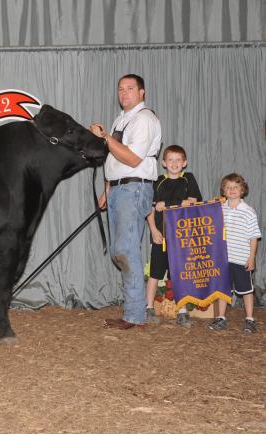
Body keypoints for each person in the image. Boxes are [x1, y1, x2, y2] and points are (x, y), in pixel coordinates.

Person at [90, 74, 162, 329]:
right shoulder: (123, 118)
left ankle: (135, 315)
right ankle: (132, 310)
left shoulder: (144, 119)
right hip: (121, 188)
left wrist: (105, 137)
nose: (124, 93)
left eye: (130, 89)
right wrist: (108, 190)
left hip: (134, 188)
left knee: (126, 249)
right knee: (121, 250)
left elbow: (132, 159)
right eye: (120, 89)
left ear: (142, 93)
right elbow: (115, 159)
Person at [145, 145, 202, 327]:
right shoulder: (158, 181)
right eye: (170, 160)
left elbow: (193, 203)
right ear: (163, 163)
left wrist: (166, 204)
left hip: (182, 238)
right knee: (155, 273)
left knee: (179, 274)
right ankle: (148, 308)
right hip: (161, 237)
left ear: (185, 163)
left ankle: (182, 311)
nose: (174, 163)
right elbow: (151, 208)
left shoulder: (189, 179)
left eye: (178, 160)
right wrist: (153, 230)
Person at [209, 173, 261, 333]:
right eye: (228, 187)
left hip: (241, 259)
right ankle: (221, 317)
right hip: (223, 259)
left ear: (242, 190)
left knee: (246, 290)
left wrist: (251, 257)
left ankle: (250, 319)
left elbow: (254, 237)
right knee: (223, 290)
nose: (232, 190)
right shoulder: (219, 209)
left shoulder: (248, 211)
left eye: (235, 187)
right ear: (223, 191)